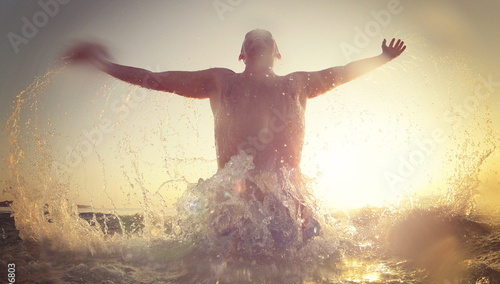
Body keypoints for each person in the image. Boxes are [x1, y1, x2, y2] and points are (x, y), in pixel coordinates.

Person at [65, 29, 406, 241]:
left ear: (277, 52)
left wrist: (382, 58)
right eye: (249, 39)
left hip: (291, 198)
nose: (257, 39)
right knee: (227, 278)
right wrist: (103, 65)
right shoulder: (220, 81)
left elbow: (342, 73)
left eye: (265, 38)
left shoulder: (298, 83)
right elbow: (156, 78)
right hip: (233, 198)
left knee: (302, 278)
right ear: (241, 53)